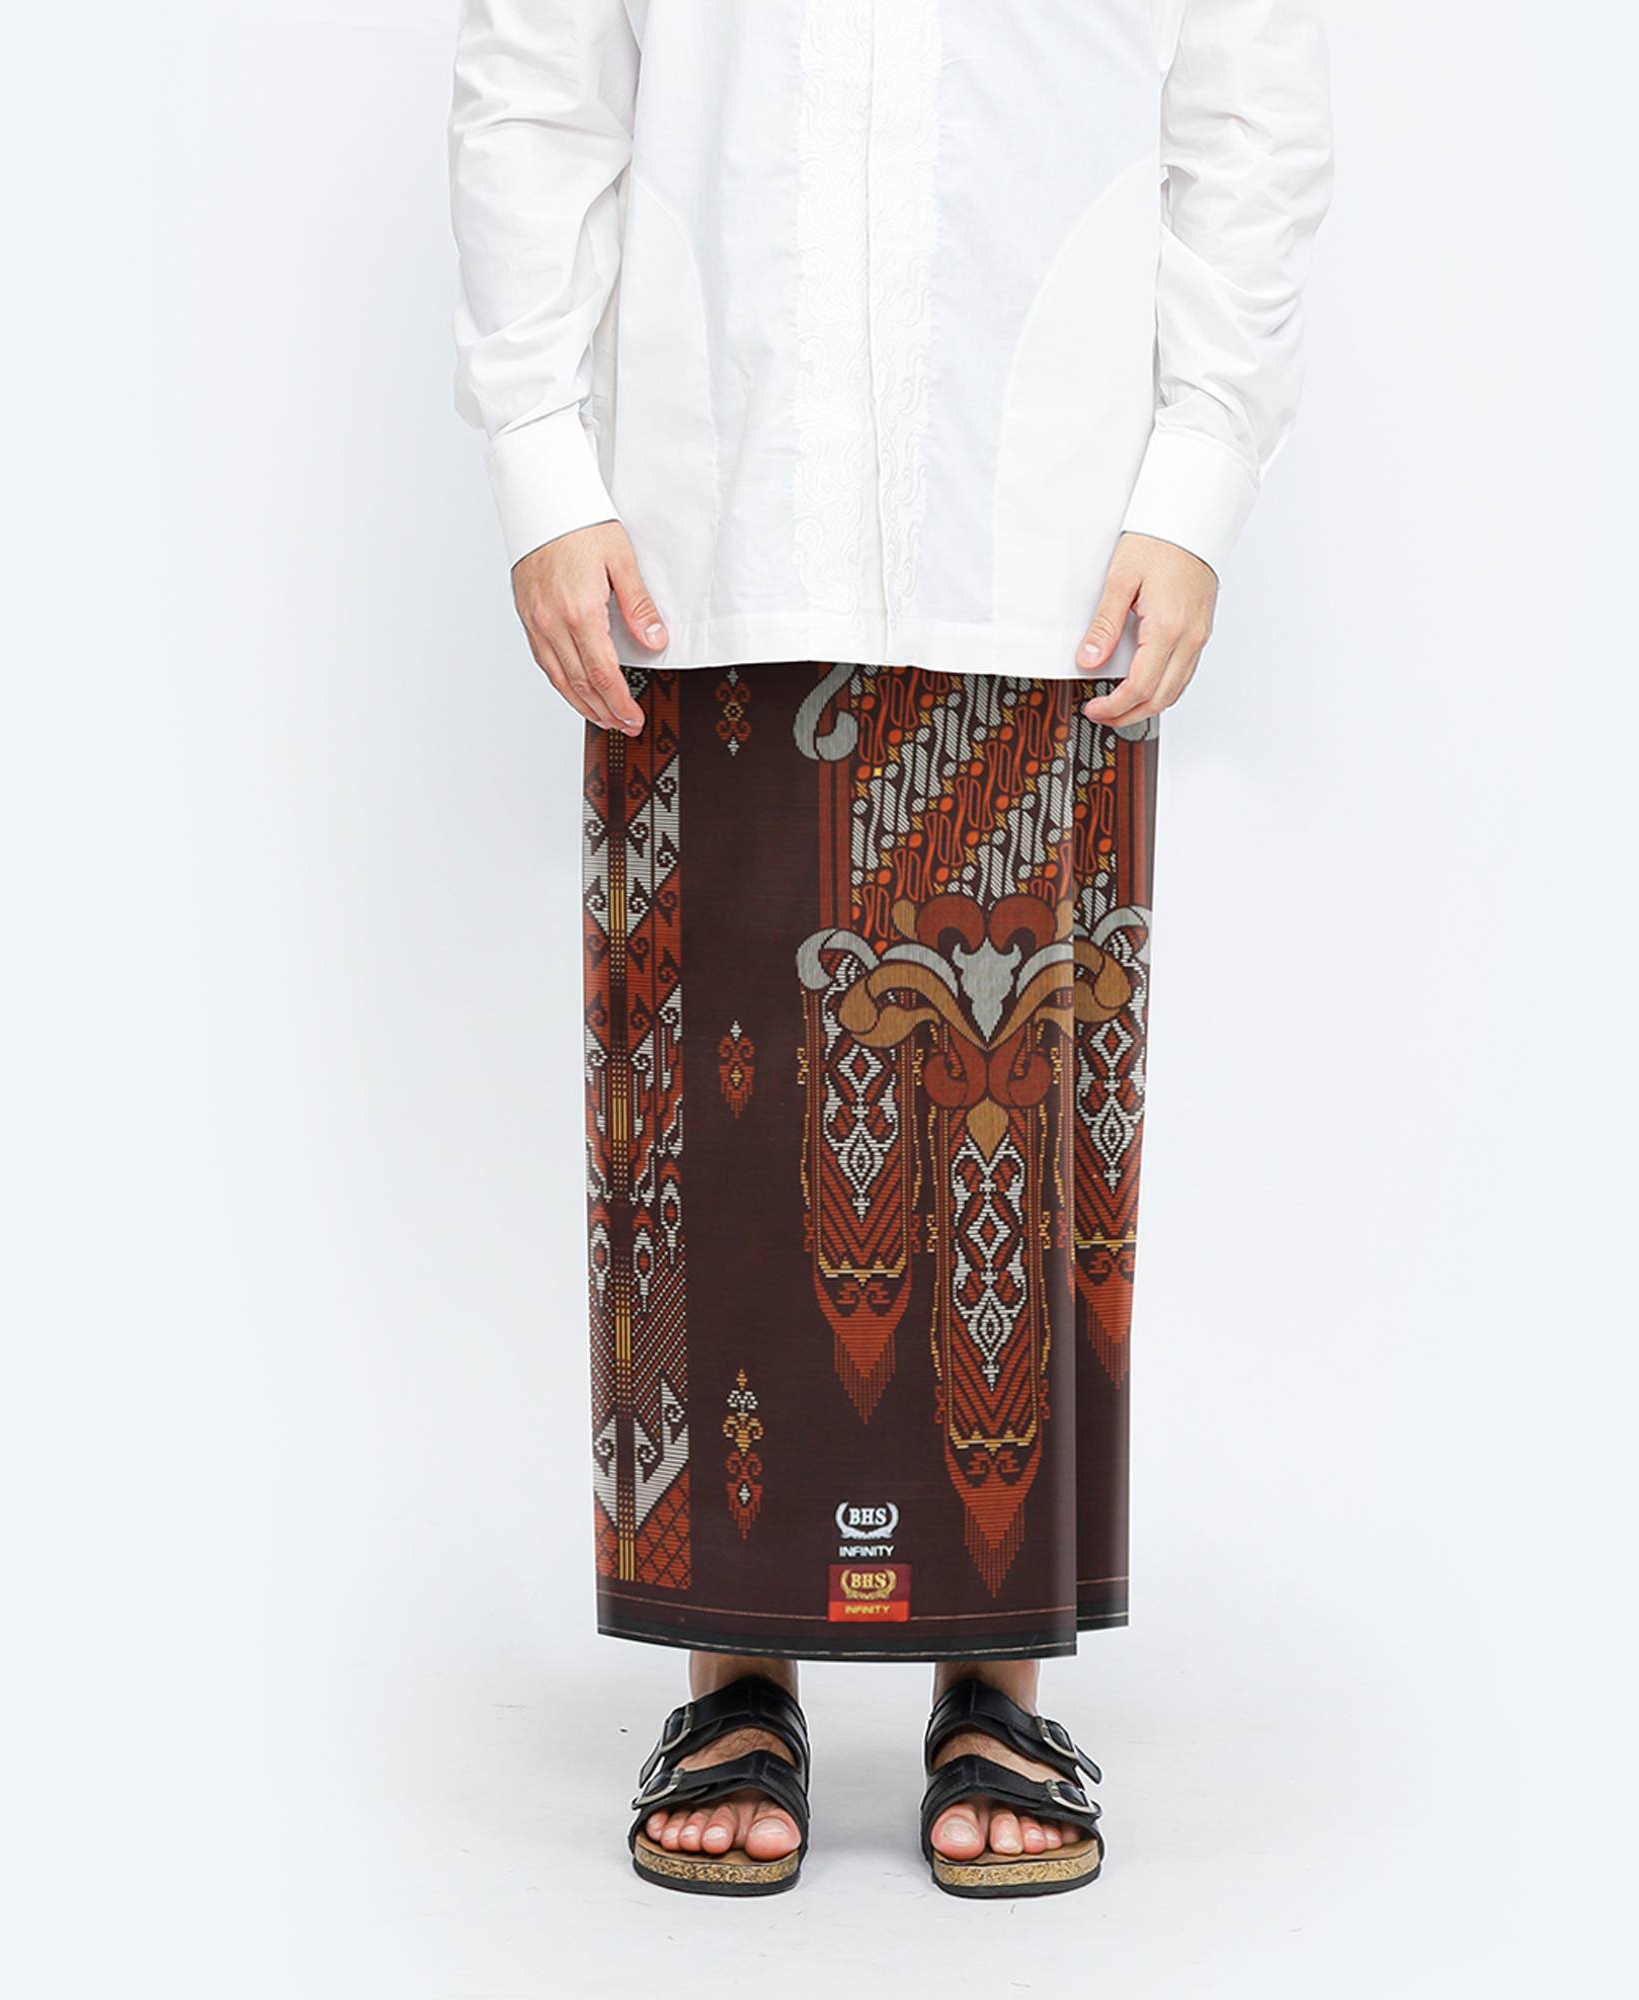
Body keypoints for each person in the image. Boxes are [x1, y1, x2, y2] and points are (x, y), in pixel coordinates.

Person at [448, 0, 1332, 1899]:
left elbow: (1248, 109)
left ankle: (998, 1677)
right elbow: (539, 73)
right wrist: (543, 455)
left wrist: (1197, 474)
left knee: (1023, 1120)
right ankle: (729, 1670)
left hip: (1047, 525)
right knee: (709, 1125)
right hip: (704, 520)